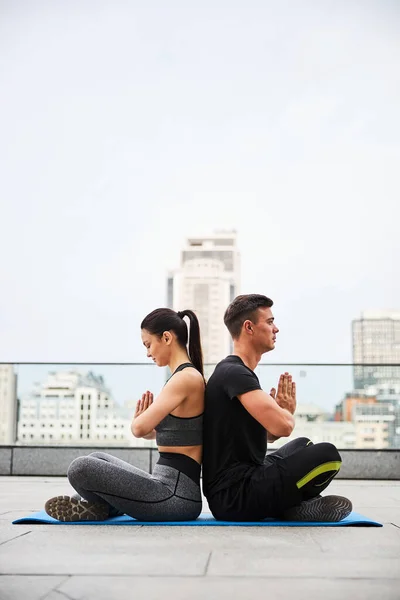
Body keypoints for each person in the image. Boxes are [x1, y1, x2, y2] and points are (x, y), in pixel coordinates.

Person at [45, 308, 205, 522]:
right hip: (167, 488)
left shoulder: (185, 378)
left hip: (176, 496)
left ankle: (100, 506)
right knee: (96, 459)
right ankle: (102, 508)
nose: (148, 353)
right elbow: (178, 435)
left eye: (148, 345)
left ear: (166, 337)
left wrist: (138, 421)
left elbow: (138, 429)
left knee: (80, 468)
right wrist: (148, 428)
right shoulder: (185, 376)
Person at [202, 294, 352, 522]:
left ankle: (287, 504)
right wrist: (286, 412)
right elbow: (283, 427)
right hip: (234, 495)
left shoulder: (235, 372)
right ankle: (288, 506)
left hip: (237, 488)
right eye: (270, 322)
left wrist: (279, 416)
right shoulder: (234, 373)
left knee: (303, 445)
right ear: (249, 327)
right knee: (328, 455)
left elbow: (268, 436)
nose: (276, 329)